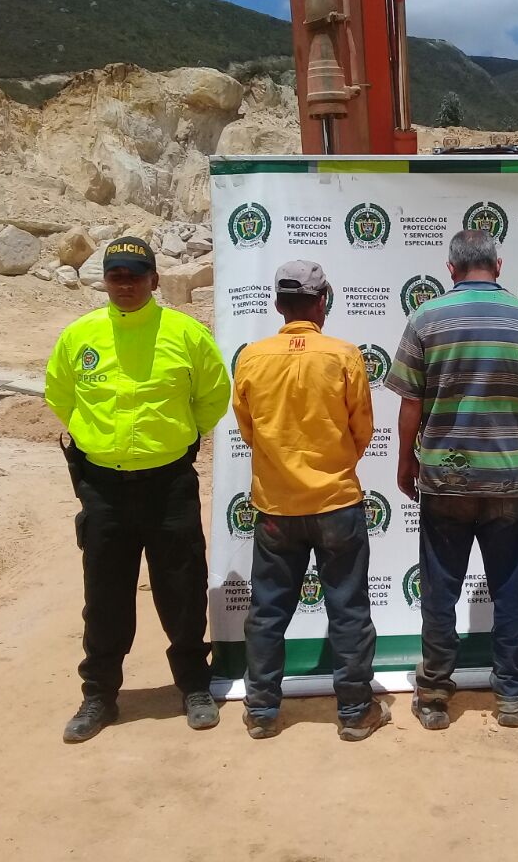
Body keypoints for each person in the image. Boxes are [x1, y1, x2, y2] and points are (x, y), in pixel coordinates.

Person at [45, 237, 231, 744]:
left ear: (153, 280)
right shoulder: (79, 336)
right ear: (104, 280)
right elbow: (60, 393)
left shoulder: (185, 334)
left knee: (182, 587)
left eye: (135, 275)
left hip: (168, 483)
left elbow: (214, 393)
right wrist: (96, 438)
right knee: (104, 594)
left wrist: (180, 436)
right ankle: (99, 695)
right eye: (116, 275)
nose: (125, 284)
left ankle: (194, 685)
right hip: (103, 488)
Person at [387, 229, 518, 731]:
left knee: (440, 591)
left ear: (451, 268)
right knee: (509, 590)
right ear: (498, 266)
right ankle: (509, 696)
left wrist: (404, 461)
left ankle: (436, 693)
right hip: (510, 480)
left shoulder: (425, 319)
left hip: (445, 482)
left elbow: (410, 404)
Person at [230, 260, 388, 742]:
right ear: (323, 302)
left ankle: (260, 711)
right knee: (349, 608)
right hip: (337, 503)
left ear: (278, 305)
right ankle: (356, 711)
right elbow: (362, 429)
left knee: (268, 612)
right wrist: (334, 464)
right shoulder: (343, 356)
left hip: (276, 508)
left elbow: (248, 429)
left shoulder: (252, 357)